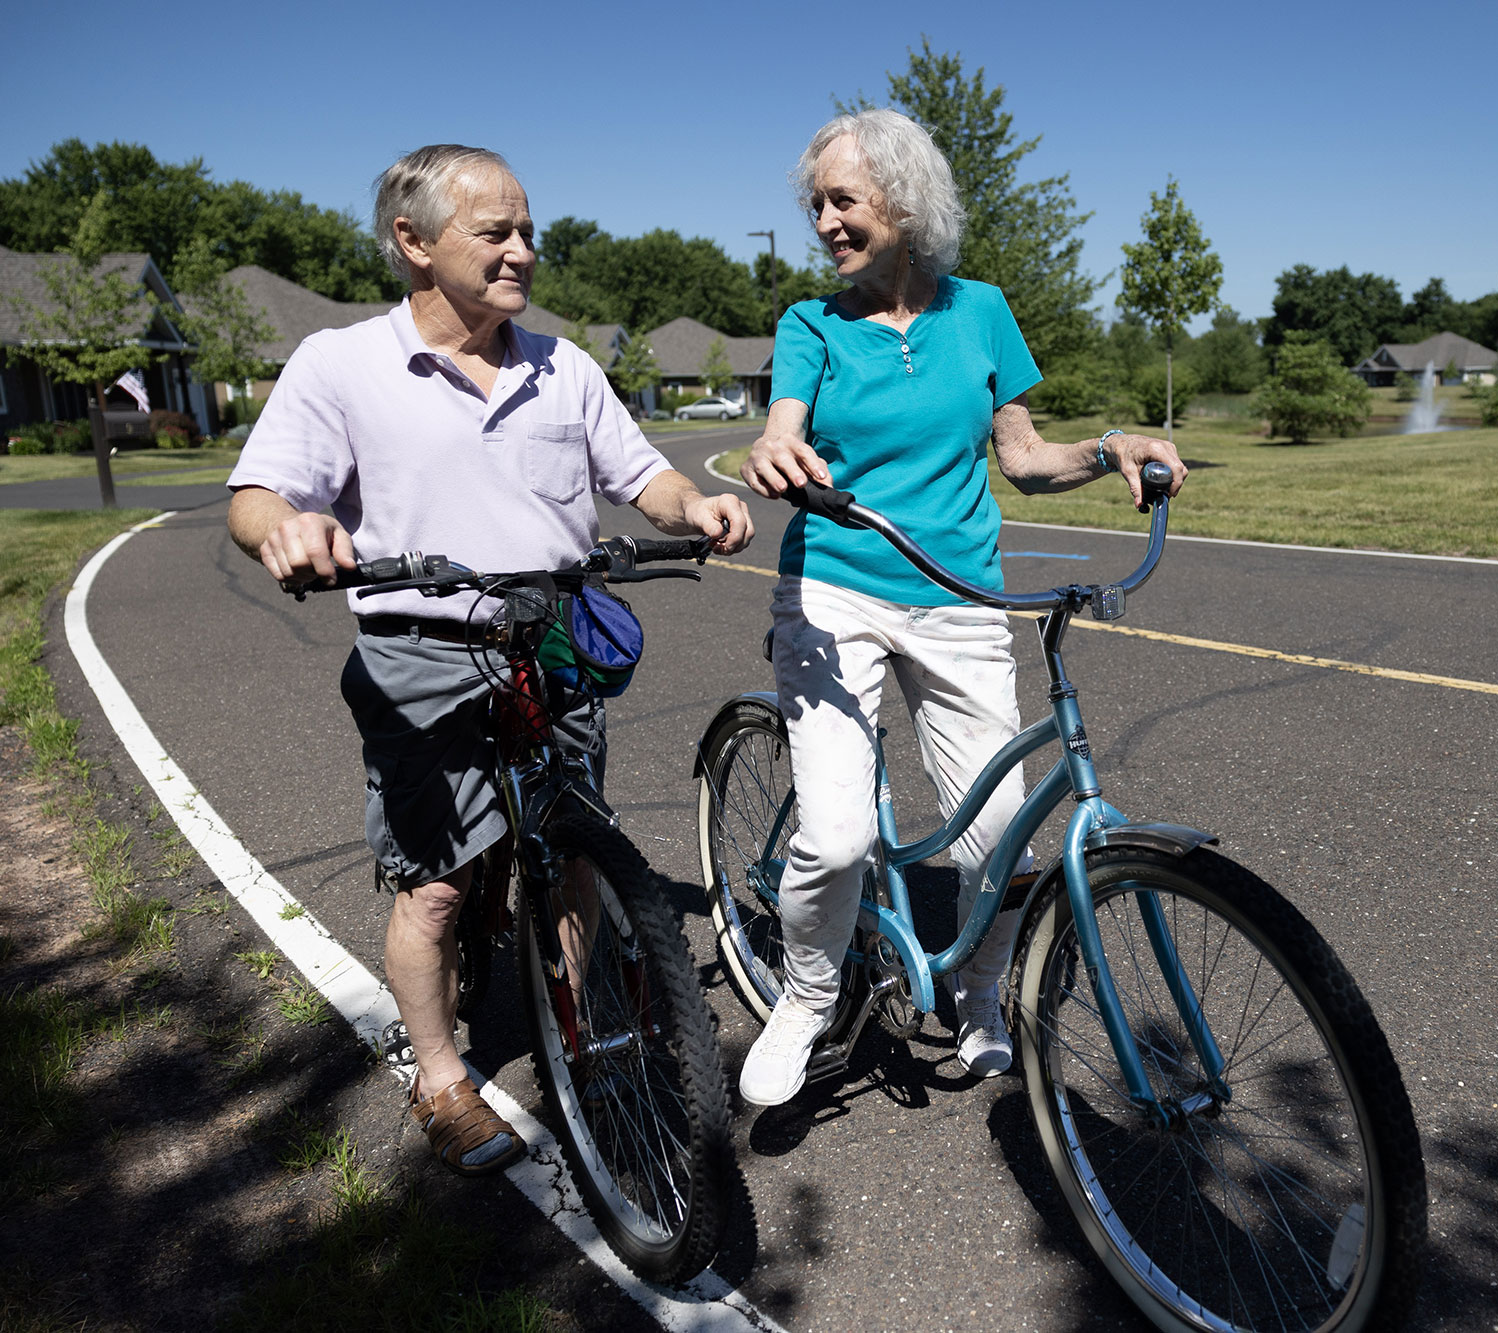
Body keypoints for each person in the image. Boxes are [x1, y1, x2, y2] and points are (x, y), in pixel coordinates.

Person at [225, 144, 752, 1175]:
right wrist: (286, 530)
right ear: (411, 244)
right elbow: (260, 494)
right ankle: (439, 1077)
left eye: (526, 231)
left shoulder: (566, 366)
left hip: (553, 639)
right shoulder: (341, 365)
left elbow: (641, 472)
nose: (521, 251)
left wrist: (693, 504)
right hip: (421, 652)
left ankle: (578, 1029)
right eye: (494, 232)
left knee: (573, 851)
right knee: (435, 887)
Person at [737, 109, 1187, 1108]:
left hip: (959, 597)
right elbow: (782, 427)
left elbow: (1021, 457)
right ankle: (807, 996)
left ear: (902, 199)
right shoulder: (810, 325)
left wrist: (1107, 446)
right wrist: (775, 452)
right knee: (840, 834)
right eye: (814, 204)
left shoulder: (980, 311)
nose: (824, 221)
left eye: (841, 199)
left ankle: (980, 993)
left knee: (994, 844)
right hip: (835, 591)